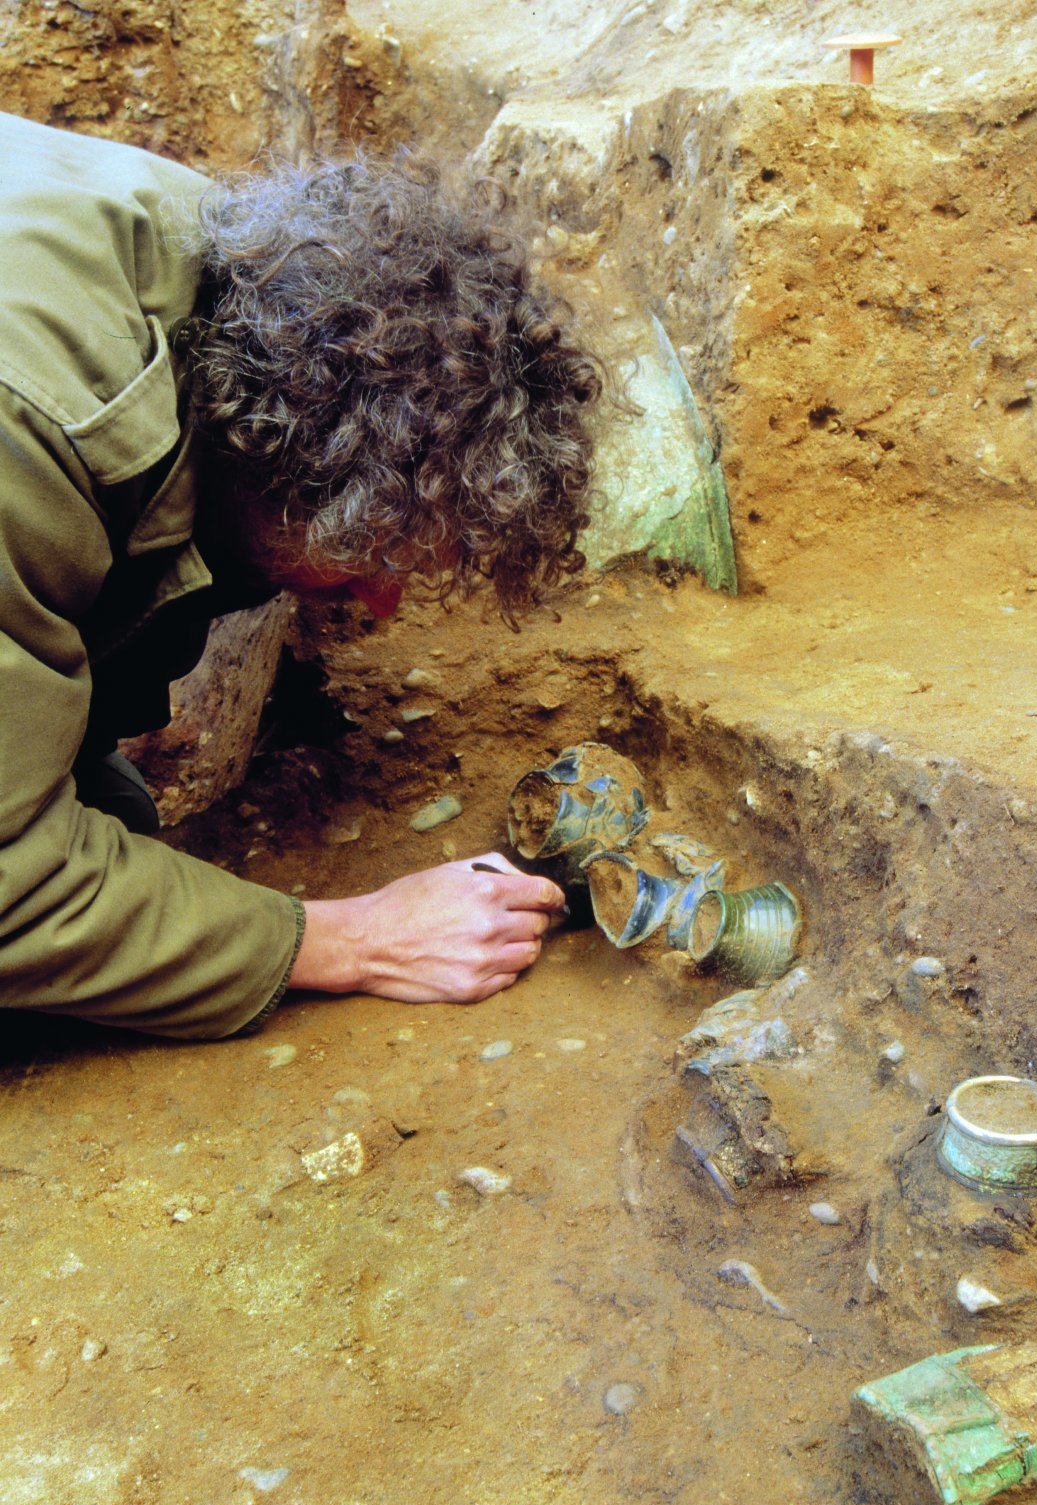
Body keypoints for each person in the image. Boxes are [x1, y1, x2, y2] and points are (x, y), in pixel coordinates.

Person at [0, 112, 603, 1040]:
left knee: (106, 811)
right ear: (279, 463)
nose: (383, 601)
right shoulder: (32, 435)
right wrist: (349, 939)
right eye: (377, 559)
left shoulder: (234, 266)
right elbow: (12, 888)